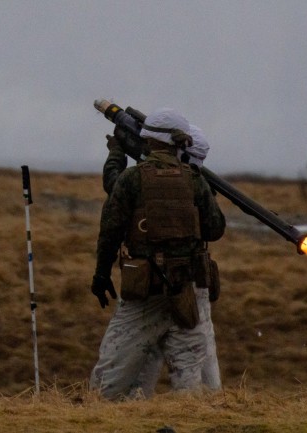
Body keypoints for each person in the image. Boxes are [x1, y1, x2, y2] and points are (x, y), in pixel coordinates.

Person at [89, 107, 226, 400]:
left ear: (148, 140)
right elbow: (215, 228)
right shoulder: (195, 180)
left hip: (143, 293)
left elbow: (110, 231)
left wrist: (101, 275)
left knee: (107, 385)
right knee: (192, 388)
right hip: (186, 294)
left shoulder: (130, 179)